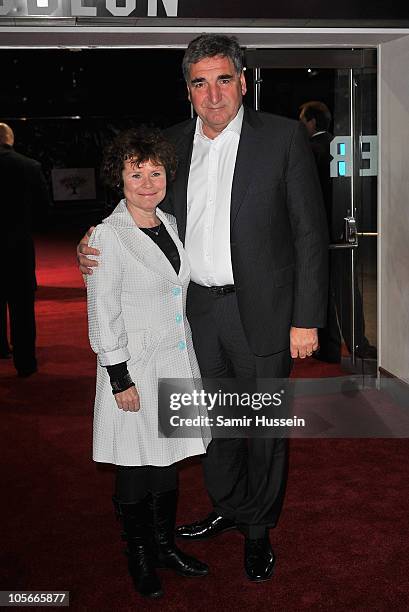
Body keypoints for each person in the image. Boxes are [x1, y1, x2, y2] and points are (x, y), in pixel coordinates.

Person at [79, 35, 328, 583]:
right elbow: (140, 206)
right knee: (215, 424)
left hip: (261, 313)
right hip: (193, 319)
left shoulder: (283, 138)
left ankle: (258, 529)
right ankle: (229, 505)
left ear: (243, 81)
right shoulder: (170, 145)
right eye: (200, 82)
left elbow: (311, 234)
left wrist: (306, 317)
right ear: (188, 90)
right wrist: (93, 238)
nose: (213, 93)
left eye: (223, 79)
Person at [86, 126, 210, 599]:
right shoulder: (107, 236)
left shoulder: (172, 225)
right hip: (134, 369)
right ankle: (138, 552)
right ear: (117, 178)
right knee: (135, 465)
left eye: (155, 172)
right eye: (135, 173)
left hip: (176, 361)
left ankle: (164, 546)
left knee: (169, 459)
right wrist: (119, 377)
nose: (146, 182)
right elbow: (102, 310)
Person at [0, 122, 49, 376]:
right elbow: (43, 210)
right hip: (18, 246)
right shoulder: (29, 167)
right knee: (21, 307)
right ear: (11, 139)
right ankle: (25, 362)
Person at [299, 101, 342, 363]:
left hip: (321, 231)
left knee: (322, 291)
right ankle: (347, 343)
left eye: (303, 120)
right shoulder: (335, 146)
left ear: (312, 122)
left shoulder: (312, 150)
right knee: (344, 294)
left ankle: (328, 348)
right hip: (338, 228)